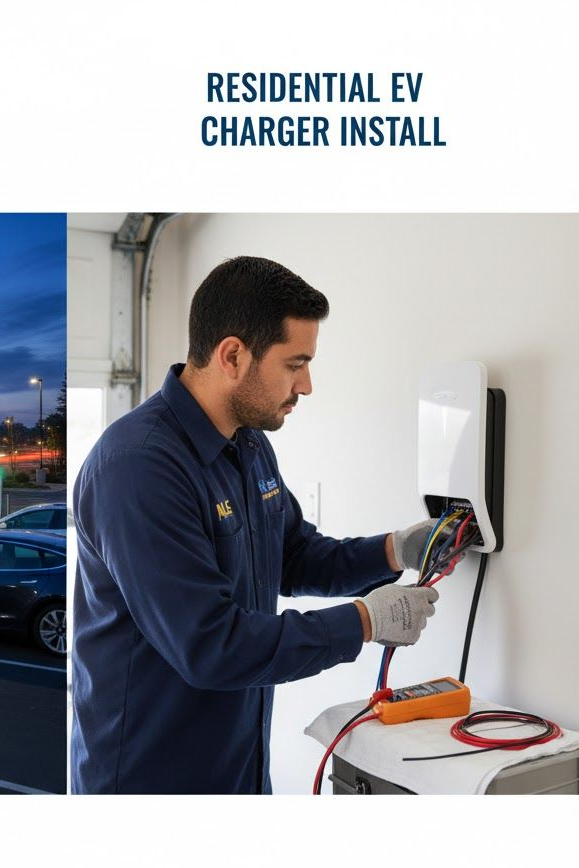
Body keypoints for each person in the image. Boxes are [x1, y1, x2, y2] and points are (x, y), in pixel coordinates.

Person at [71, 255, 440, 794]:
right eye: (295, 364)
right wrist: (364, 620)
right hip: (149, 782)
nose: (307, 385)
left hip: (239, 769)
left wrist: (394, 550)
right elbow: (211, 645)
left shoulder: (247, 443)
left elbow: (292, 554)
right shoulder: (139, 467)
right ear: (234, 355)